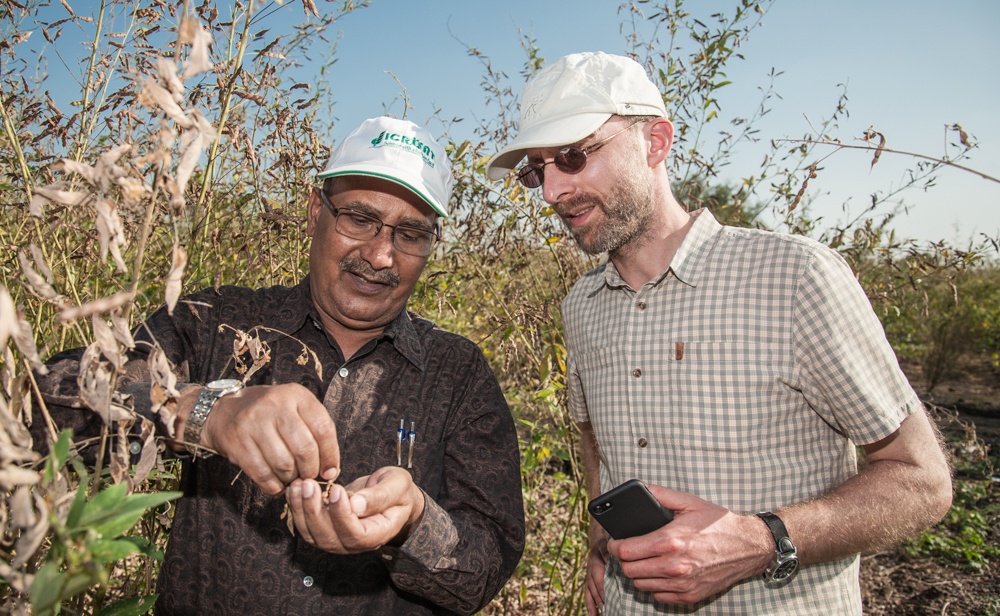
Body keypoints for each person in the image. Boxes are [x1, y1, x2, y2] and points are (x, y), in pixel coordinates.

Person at [486, 52, 952, 615]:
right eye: (538, 170)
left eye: (573, 156)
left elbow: (921, 480)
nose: (551, 192)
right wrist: (598, 544)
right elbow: (594, 441)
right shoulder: (580, 307)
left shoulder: (795, 277)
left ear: (656, 142)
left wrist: (760, 540)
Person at [34, 116, 525, 615]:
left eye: (411, 234)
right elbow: (42, 406)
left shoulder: (459, 373)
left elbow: (484, 571)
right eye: (359, 218)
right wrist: (203, 410)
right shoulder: (217, 321)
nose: (380, 255)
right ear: (316, 212)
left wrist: (415, 522)